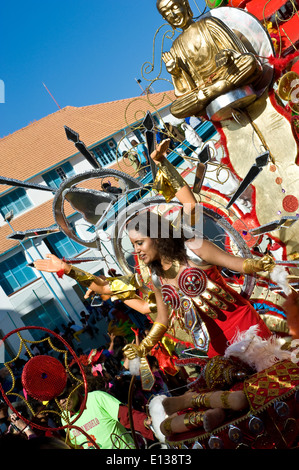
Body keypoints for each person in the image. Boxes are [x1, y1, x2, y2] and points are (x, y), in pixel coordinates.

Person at [156, 0, 263, 119]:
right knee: (175, 109)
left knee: (249, 61)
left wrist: (226, 55)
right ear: (165, 19)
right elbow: (186, 90)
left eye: (175, 7)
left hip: (228, 73)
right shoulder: (175, 48)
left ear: (185, 5)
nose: (173, 14)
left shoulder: (208, 23)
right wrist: (176, 73)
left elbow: (237, 52)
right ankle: (214, 91)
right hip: (203, 89)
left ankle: (222, 86)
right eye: (167, 13)